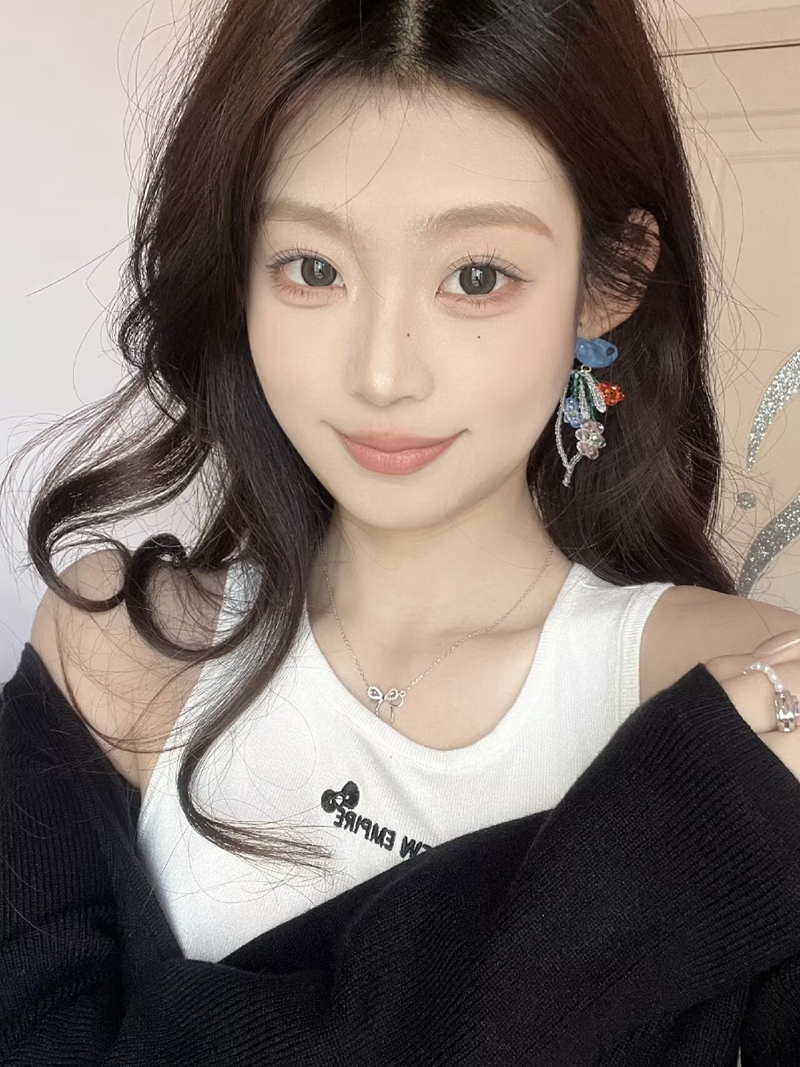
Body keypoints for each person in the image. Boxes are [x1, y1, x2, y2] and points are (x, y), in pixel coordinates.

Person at [3, 0, 800, 1062]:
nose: (381, 373)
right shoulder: (116, 655)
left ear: (607, 279)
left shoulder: (755, 698)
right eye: (312, 268)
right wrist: (638, 869)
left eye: (476, 277)